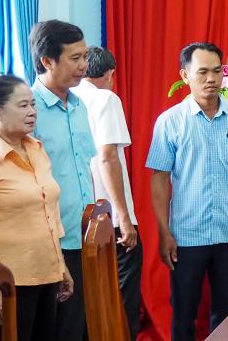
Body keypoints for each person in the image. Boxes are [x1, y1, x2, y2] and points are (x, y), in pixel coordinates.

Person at [146, 42, 228, 341]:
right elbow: (160, 178)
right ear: (185, 75)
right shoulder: (170, 121)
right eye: (203, 72)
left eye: (217, 71)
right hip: (186, 235)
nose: (211, 79)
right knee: (183, 313)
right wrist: (164, 231)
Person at [0, 75, 74, 341]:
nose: (32, 112)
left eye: (33, 104)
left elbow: (49, 214)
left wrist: (61, 266)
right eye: (22, 105)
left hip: (47, 273)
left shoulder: (37, 149)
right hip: (9, 282)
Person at [28, 19, 96, 341]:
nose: (84, 66)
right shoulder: (28, 110)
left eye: (85, 57)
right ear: (47, 61)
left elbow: (86, 166)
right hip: (49, 240)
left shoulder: (80, 105)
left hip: (84, 236)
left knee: (80, 326)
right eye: (75, 58)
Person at [73, 46, 142, 339]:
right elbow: (108, 156)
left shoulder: (69, 99)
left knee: (89, 295)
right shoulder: (105, 98)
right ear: (110, 73)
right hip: (109, 216)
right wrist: (123, 216)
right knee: (122, 293)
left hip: (80, 215)